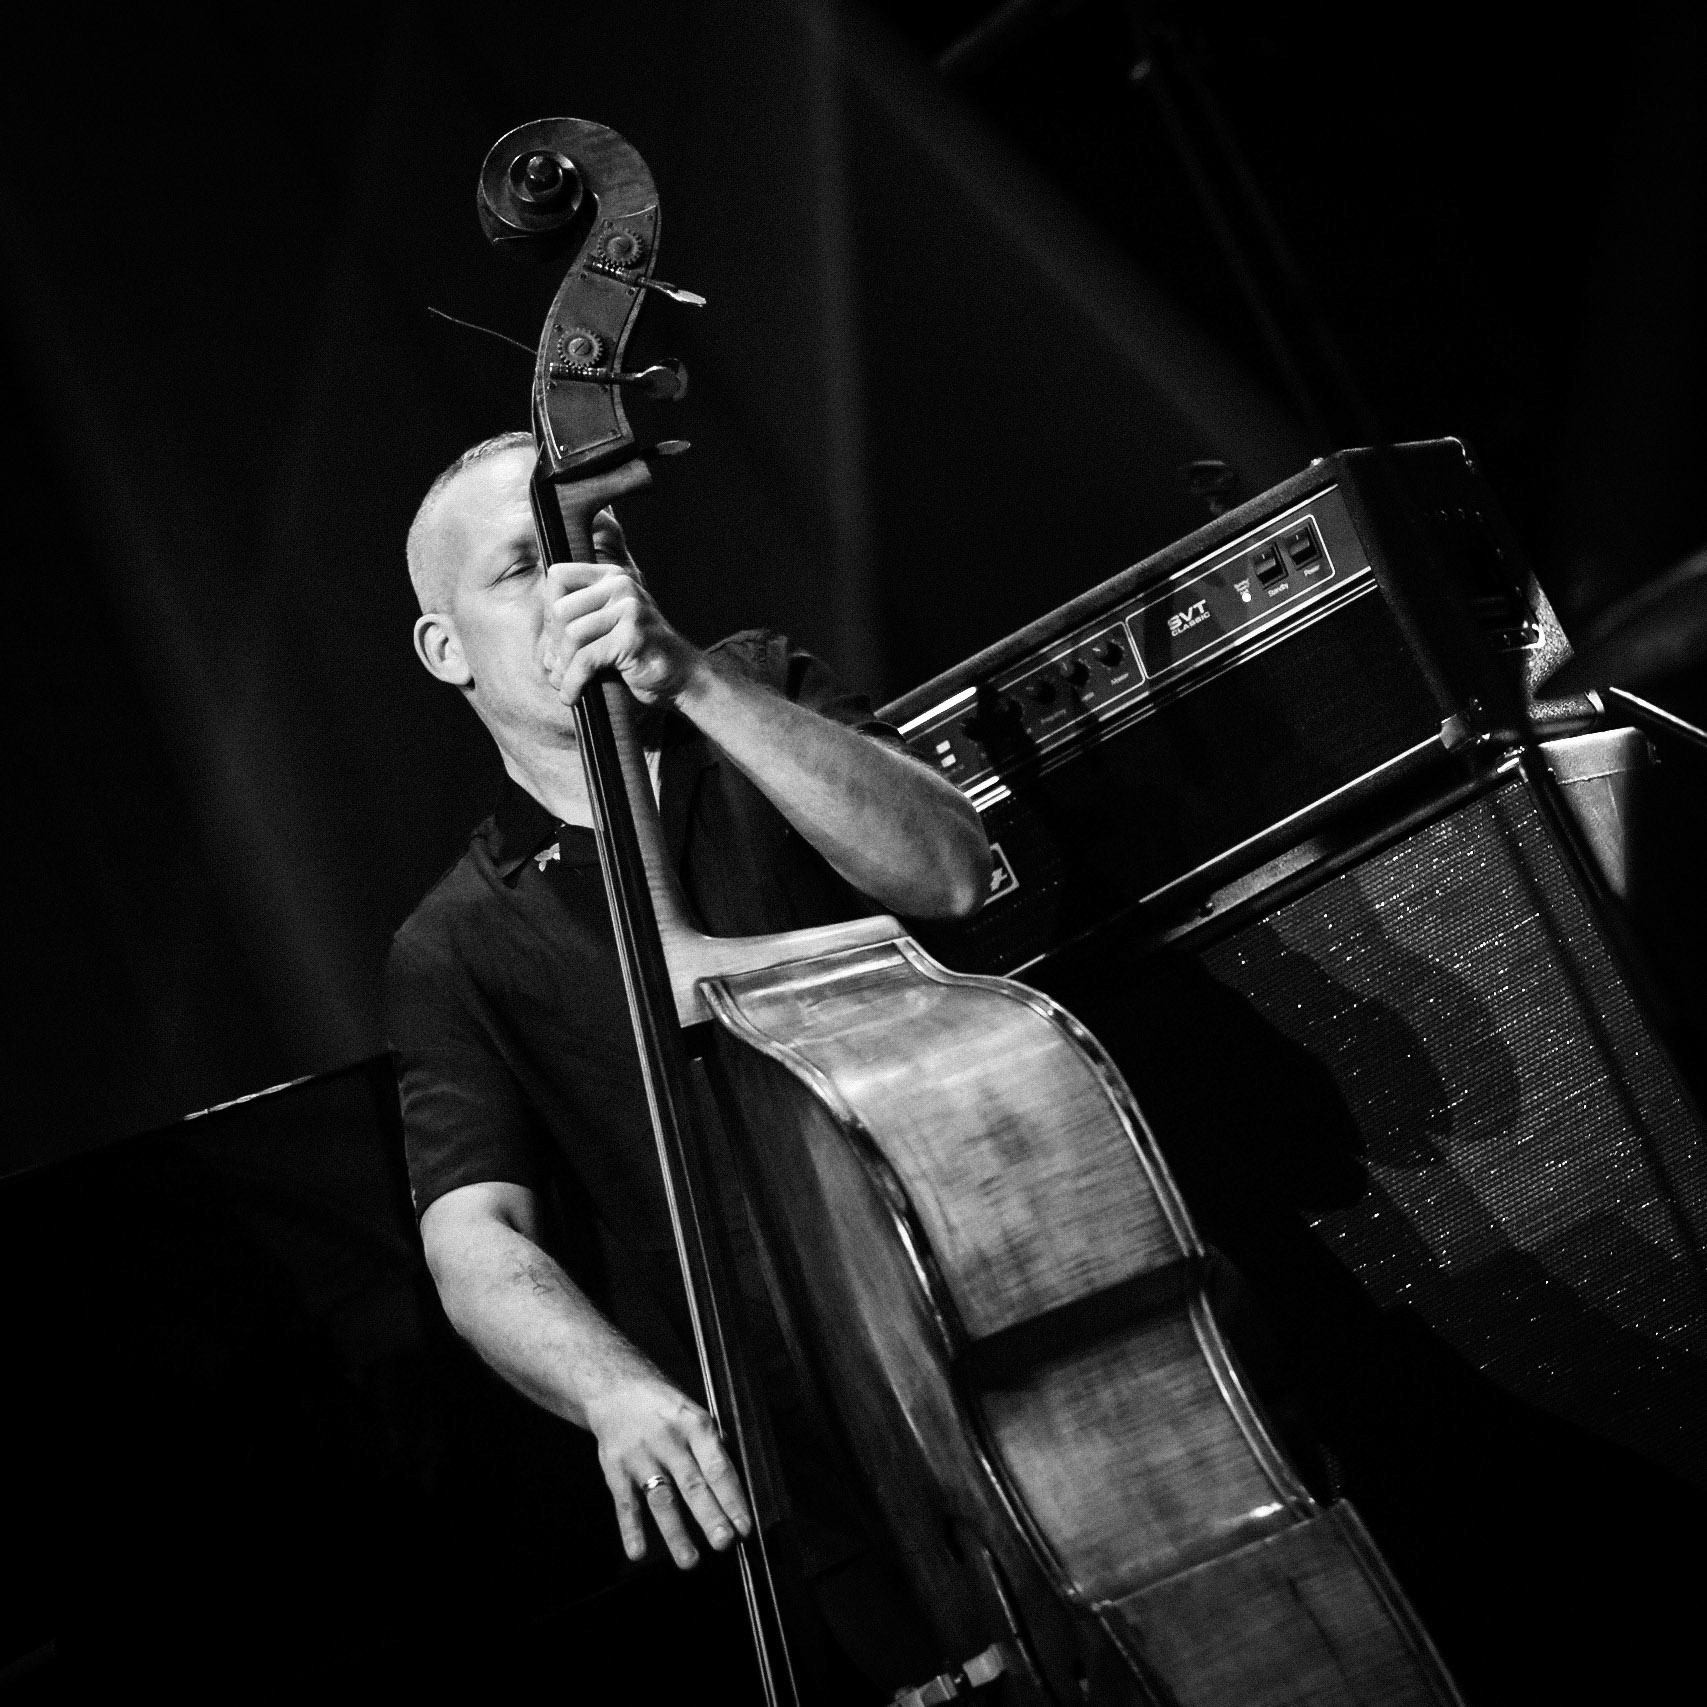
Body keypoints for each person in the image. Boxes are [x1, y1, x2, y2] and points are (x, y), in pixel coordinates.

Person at [385, 431, 989, 1672]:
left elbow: (949, 872)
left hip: (1007, 1298)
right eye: (519, 569)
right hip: (826, 1470)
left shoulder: (759, 689)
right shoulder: (457, 941)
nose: (571, 586)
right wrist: (609, 1388)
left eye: (591, 546)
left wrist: (694, 681)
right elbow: (472, 1236)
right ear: (446, 647)